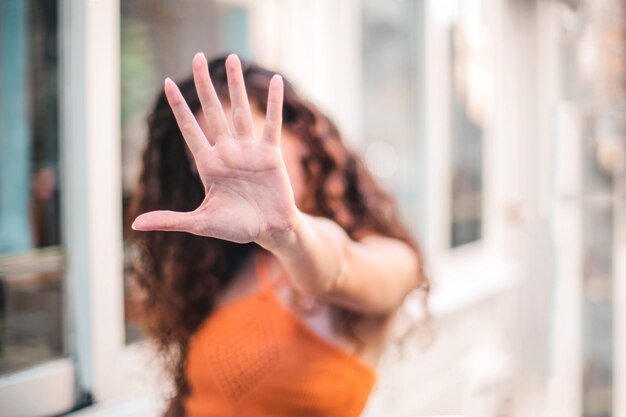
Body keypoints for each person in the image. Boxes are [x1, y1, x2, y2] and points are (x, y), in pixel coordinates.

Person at [129, 53, 428, 417]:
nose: (226, 168)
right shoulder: (233, 263)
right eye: (202, 159)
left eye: (242, 141)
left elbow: (337, 268)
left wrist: (287, 231)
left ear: (302, 134)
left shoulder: (391, 258)